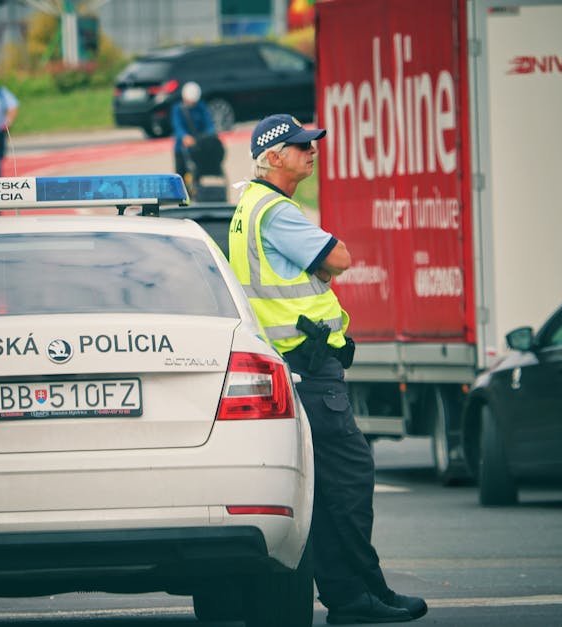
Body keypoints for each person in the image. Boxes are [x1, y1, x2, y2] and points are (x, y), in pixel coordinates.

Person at [228, 114, 428, 625]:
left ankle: (353, 595)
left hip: (291, 368)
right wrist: (323, 261)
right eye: (299, 146)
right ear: (273, 157)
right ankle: (363, 594)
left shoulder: (248, 206)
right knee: (350, 482)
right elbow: (339, 257)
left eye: (310, 143)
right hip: (311, 371)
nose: (310, 151)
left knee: (324, 490)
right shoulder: (275, 211)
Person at [170, 81, 215, 182]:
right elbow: (177, 126)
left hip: (198, 147)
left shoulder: (201, 107)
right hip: (181, 149)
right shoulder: (177, 109)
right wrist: (184, 137)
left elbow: (209, 124)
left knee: (198, 174)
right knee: (180, 176)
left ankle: (197, 192)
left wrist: (208, 136)